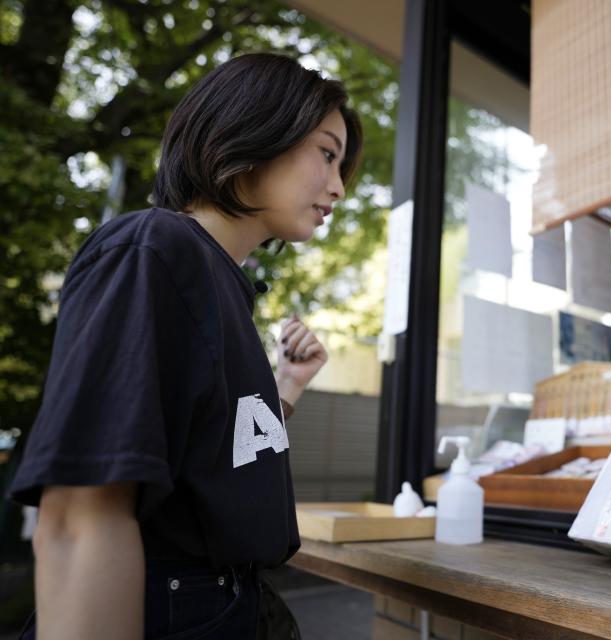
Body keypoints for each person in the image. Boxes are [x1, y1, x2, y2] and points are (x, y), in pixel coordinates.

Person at [8, 53, 363, 639]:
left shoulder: (220, 279)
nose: (339, 186)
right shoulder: (152, 250)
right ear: (252, 127)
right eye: (327, 152)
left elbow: (217, 453)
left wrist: (289, 385)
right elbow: (78, 515)